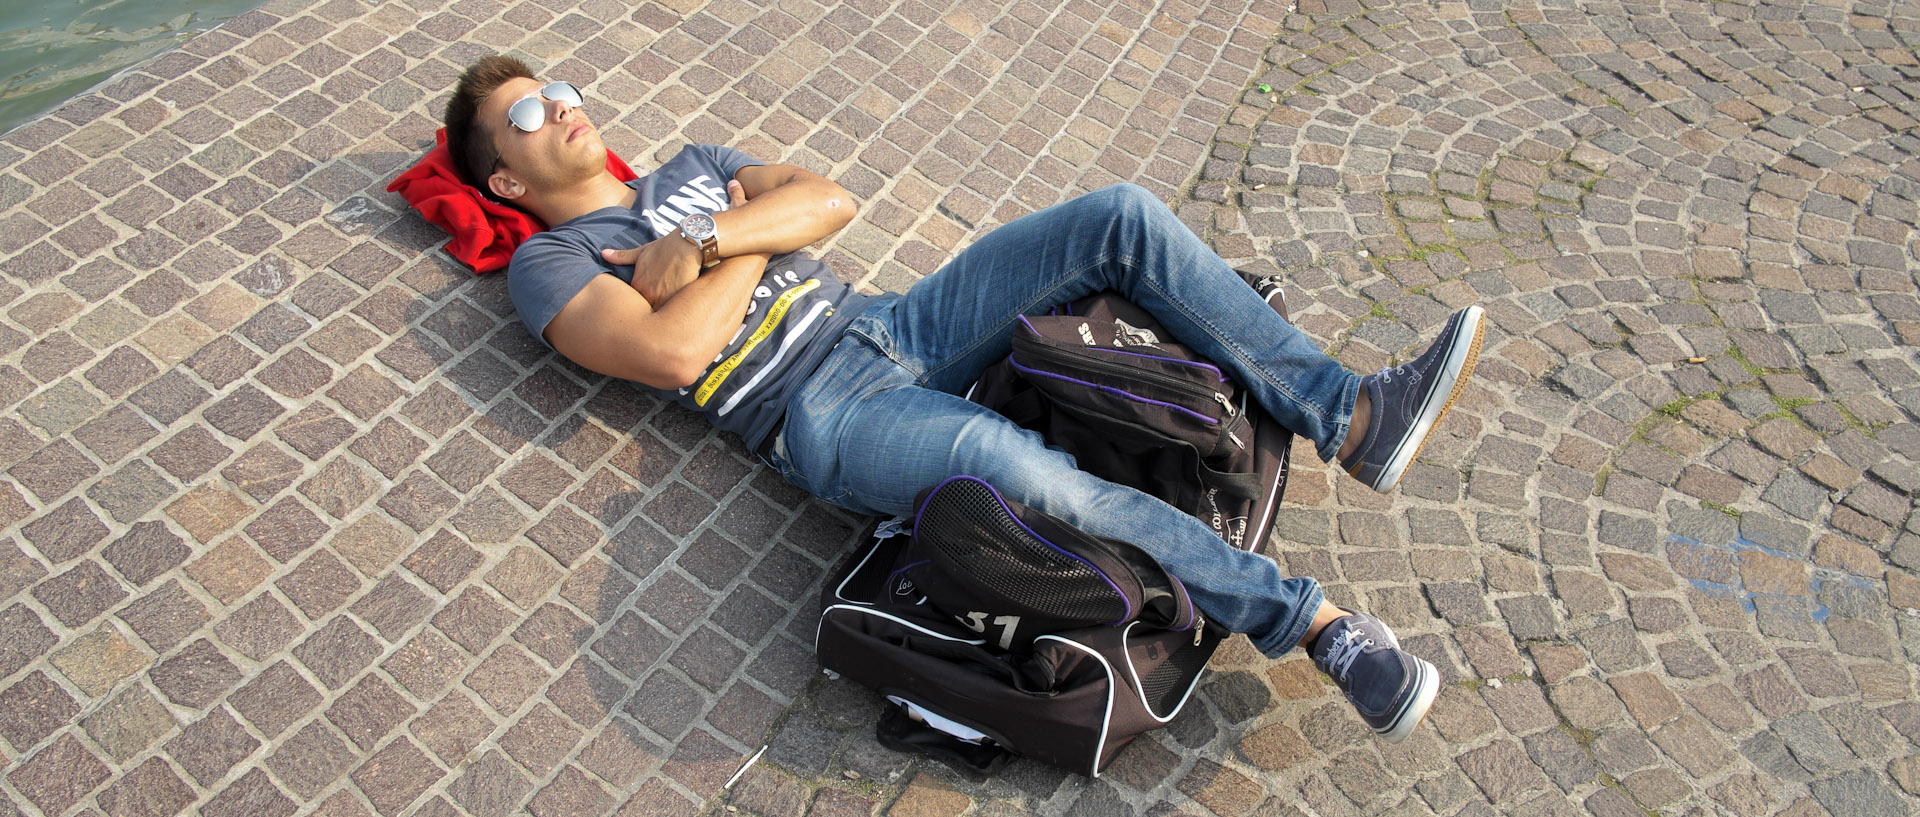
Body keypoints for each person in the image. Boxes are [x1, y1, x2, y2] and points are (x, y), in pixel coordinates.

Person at [443, 56, 1489, 744]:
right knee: (1032, 476)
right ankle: (1317, 626)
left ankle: (1354, 416)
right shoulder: (552, 265)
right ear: (506, 181)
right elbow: (670, 353)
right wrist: (752, 232)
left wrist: (705, 239)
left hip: (895, 324)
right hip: (825, 415)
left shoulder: (693, 168)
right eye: (528, 112)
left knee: (1114, 216)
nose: (564, 105)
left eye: (560, 85)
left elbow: (832, 199)